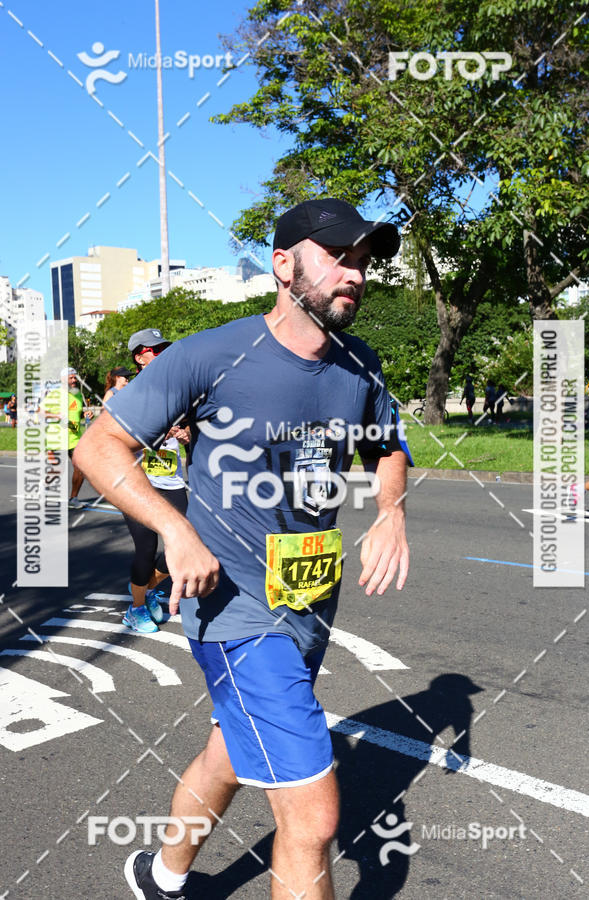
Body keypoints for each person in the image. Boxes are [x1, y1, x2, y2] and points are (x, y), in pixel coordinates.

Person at [74, 198, 411, 900]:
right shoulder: (210, 355)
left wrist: (389, 513)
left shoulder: (362, 364)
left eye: (364, 260)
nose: (356, 273)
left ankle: (160, 874)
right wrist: (175, 527)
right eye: (339, 256)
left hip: (311, 601)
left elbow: (388, 448)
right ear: (283, 265)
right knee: (313, 815)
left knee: (230, 750)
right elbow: (100, 446)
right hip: (234, 609)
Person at [113, 330, 189, 634]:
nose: (160, 354)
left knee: (183, 541)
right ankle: (136, 608)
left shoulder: (178, 391)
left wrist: (186, 435)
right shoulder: (129, 395)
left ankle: (150, 589)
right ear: (138, 356)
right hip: (137, 485)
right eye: (153, 349)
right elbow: (111, 444)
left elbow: (192, 431)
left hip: (171, 482)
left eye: (163, 348)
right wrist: (153, 436)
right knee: (146, 547)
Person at [44, 368, 94, 508]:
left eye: (75, 378)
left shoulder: (77, 395)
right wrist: (56, 416)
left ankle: (73, 499)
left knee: (81, 467)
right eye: (71, 378)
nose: (74, 381)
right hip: (57, 438)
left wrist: (86, 415)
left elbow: (77, 414)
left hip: (74, 438)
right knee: (58, 469)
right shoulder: (55, 394)